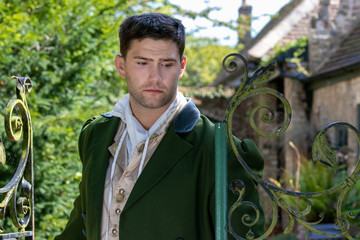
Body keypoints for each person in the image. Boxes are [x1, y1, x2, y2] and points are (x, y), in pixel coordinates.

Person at [55, 12, 265, 240]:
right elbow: (81, 225)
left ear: (182, 66)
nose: (155, 77)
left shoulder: (219, 149)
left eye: (166, 64)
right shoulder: (96, 134)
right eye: (142, 63)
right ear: (121, 65)